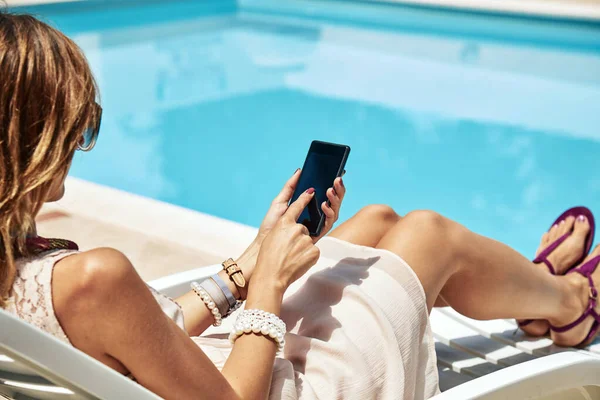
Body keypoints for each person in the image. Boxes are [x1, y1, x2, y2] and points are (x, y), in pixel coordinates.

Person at [1, 11, 599, 400]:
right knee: (425, 232)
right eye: (79, 126)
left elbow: (139, 334)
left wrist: (251, 260)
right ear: (30, 137)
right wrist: (265, 289)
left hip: (195, 369)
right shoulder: (90, 279)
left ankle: (539, 287)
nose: (81, 143)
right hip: (262, 386)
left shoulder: (20, 270)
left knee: (375, 223)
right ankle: (570, 302)